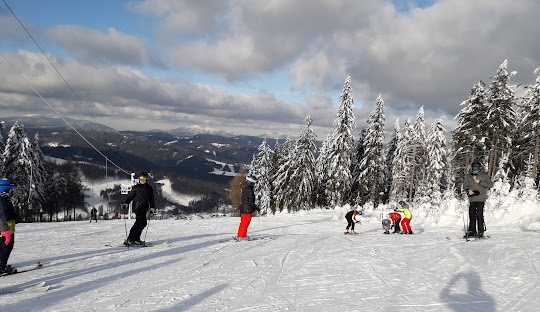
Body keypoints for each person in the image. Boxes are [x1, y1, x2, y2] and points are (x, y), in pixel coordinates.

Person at [123, 172, 155, 245]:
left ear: (146, 179)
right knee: (140, 222)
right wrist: (126, 203)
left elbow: (151, 199)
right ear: (139, 180)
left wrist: (152, 207)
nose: (142, 180)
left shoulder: (149, 188)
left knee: (142, 223)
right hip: (137, 207)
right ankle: (131, 239)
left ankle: (135, 239)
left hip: (144, 207)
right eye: (141, 179)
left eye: (144, 179)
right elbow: (130, 196)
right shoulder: (136, 187)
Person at [464, 161, 494, 238]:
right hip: (472, 199)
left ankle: (481, 231)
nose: (475, 169)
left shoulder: (484, 176)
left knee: (479, 215)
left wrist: (480, 182)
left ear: (479, 168)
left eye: (477, 168)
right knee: (472, 215)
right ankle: (472, 231)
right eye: (474, 168)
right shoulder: (469, 177)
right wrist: (468, 191)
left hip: (480, 199)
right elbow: (465, 186)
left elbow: (490, 184)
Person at [235, 176, 260, 241]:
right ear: (251, 182)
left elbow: (246, 199)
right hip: (247, 209)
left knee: (243, 222)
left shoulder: (246, 188)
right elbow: (250, 200)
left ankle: (241, 235)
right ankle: (241, 236)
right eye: (254, 183)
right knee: (245, 222)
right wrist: (255, 207)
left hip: (244, 208)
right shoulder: (249, 189)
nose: (254, 184)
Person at [0, 178, 16, 274]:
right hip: (6, 227)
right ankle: (1, 266)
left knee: (3, 246)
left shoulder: (5, 199)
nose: (10, 192)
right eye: (8, 190)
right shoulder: (3, 200)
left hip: (7, 225)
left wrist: (16, 217)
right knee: (6, 246)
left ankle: (2, 263)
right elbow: (4, 214)